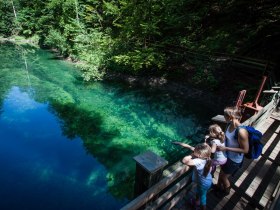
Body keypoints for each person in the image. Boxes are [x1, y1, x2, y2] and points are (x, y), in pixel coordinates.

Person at [215, 106, 249, 196]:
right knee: (221, 173)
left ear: (230, 117)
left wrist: (226, 148)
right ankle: (218, 187)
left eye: (225, 115)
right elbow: (228, 139)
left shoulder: (241, 131)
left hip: (234, 160)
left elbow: (245, 150)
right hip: (226, 155)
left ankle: (226, 191)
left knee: (224, 177)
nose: (224, 117)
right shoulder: (229, 125)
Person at [174, 142, 212, 210]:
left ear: (199, 155)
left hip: (203, 183)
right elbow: (190, 147)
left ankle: (203, 208)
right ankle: (196, 202)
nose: (194, 150)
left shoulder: (198, 161)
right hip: (208, 180)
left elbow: (184, 160)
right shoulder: (206, 157)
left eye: (195, 151)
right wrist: (179, 143)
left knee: (203, 199)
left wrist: (191, 155)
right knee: (199, 192)